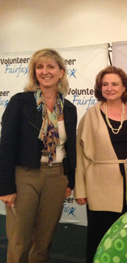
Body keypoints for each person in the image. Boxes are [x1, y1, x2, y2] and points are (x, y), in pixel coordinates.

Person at [0, 48, 77, 263]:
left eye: (51, 67)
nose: (45, 71)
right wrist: (6, 188)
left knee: (43, 242)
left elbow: (70, 148)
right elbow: (6, 146)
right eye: (40, 67)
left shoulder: (69, 108)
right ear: (35, 72)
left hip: (56, 177)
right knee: (19, 241)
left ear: (60, 72)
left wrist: (70, 179)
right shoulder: (20, 103)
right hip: (25, 176)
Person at [74, 66, 127, 263]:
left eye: (114, 84)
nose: (109, 88)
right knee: (100, 238)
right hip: (99, 187)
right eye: (105, 84)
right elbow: (80, 155)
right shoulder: (91, 115)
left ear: (124, 87)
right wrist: (80, 189)